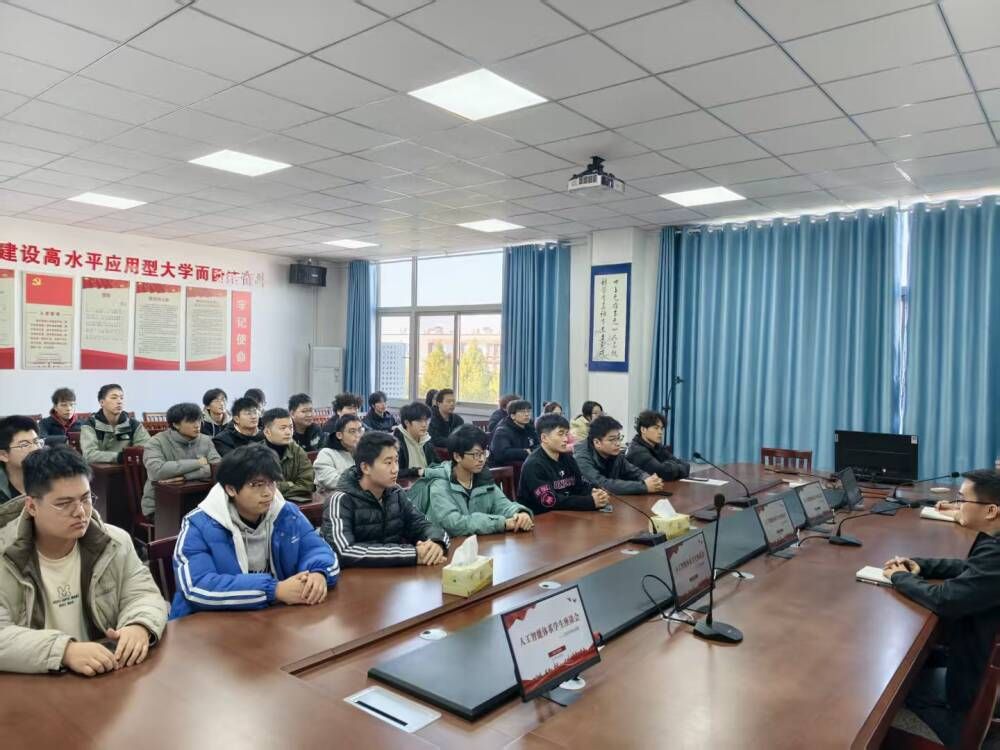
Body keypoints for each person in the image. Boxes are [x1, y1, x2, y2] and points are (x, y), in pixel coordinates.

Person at [0, 448, 167, 675]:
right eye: (63, 503)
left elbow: (142, 593)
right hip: (36, 679)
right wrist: (64, 651)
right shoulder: (6, 555)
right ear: (31, 506)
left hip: (107, 672)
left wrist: (139, 624)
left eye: (86, 499)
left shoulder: (114, 541)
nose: (80, 512)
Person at [882, 469, 1000, 747]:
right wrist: (921, 565)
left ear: (991, 511)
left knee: (901, 690)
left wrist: (900, 577)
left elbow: (945, 600)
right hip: (975, 660)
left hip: (970, 688)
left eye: (963, 500)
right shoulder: (993, 545)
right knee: (918, 666)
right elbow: (969, 568)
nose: (957, 506)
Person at [169, 444, 339, 619]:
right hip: (209, 622)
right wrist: (274, 590)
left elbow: (317, 549)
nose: (268, 493)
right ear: (231, 489)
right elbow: (196, 587)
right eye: (256, 485)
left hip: (271, 616)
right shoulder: (199, 524)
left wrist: (318, 573)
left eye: (271, 483)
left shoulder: (287, 513)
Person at [321, 431, 449, 567]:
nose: (395, 469)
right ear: (365, 467)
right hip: (356, 578)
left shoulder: (396, 493)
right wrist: (413, 554)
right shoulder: (340, 500)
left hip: (394, 575)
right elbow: (343, 551)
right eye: (388, 463)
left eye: (396, 461)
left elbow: (422, 524)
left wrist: (436, 543)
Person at [422, 425, 533, 536]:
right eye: (476, 454)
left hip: (479, 542)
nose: (482, 459)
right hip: (447, 543)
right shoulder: (440, 483)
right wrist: (502, 523)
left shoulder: (483, 477)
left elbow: (503, 504)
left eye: (484, 453)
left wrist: (520, 513)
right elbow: (453, 524)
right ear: (457, 456)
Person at [140, 403, 221, 517]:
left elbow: (218, 468)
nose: (197, 425)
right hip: (162, 504)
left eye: (199, 420)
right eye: (191, 421)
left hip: (200, 501)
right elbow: (156, 471)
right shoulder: (156, 442)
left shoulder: (205, 440)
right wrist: (198, 463)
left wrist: (185, 476)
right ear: (176, 424)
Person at [518, 414, 609, 513]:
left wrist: (594, 491)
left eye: (566, 434)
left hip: (566, 514)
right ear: (544, 438)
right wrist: (589, 501)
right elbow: (549, 501)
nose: (566, 439)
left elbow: (579, 486)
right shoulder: (534, 465)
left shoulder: (567, 458)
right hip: (540, 517)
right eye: (560, 434)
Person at [574, 416, 663, 495]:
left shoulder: (615, 454)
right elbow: (601, 484)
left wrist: (650, 479)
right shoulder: (581, 458)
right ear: (597, 442)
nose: (618, 443)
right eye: (612, 439)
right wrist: (644, 486)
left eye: (618, 438)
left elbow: (634, 471)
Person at [79, 384, 150, 464]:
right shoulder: (90, 425)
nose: (119, 401)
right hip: (99, 470)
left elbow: (148, 449)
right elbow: (89, 455)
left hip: (129, 470)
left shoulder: (133, 424)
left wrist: (129, 457)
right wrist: (119, 457)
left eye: (121, 398)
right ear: (102, 402)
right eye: (114, 398)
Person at [260, 408, 314, 501]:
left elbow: (307, 485)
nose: (288, 432)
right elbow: (260, 489)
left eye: (291, 427)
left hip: (296, 502)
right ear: (267, 432)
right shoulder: (255, 455)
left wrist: (279, 488)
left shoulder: (297, 451)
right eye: (283, 428)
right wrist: (289, 485)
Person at [626, 410, 690, 481]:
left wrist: (669, 466)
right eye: (656, 428)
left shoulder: (657, 447)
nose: (660, 432)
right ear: (643, 429)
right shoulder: (637, 451)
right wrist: (671, 466)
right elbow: (663, 473)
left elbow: (686, 465)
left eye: (661, 428)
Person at [0, 416, 44, 504]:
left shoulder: (56, 476)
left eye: (36, 442)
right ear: (3, 455)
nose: (35, 448)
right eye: (24, 445)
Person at [314, 414, 363, 492]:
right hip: (333, 497)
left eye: (360, 430)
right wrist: (363, 482)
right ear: (339, 435)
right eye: (352, 431)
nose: (358, 435)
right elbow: (331, 481)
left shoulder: (364, 452)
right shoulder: (326, 454)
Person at [393, 401, 438, 479]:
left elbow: (436, 463)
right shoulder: (397, 442)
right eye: (419, 421)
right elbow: (394, 471)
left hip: (427, 480)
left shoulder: (426, 439)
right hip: (408, 483)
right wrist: (416, 471)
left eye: (427, 420)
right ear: (407, 423)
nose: (424, 425)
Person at [489, 399, 538, 468]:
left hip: (525, 463)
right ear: (513, 416)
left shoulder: (530, 427)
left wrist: (532, 451)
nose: (527, 414)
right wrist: (526, 452)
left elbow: (538, 444)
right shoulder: (502, 430)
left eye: (528, 411)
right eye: (522, 412)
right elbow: (502, 454)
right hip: (505, 468)